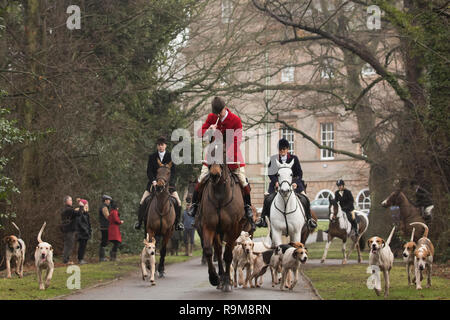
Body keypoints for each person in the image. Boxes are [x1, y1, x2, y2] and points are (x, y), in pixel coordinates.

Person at [187, 96, 256, 233]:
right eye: (216, 112)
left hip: (232, 156)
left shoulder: (235, 120)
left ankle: (247, 207)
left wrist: (226, 154)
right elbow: (199, 134)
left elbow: (237, 140)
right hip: (213, 156)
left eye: (220, 112)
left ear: (225, 107)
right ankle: (195, 205)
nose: (218, 115)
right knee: (202, 178)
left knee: (242, 180)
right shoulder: (212, 117)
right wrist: (209, 130)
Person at [257, 138, 317, 229]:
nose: (282, 151)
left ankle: (309, 219)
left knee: (305, 198)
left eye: (284, 149)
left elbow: (299, 173)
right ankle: (262, 219)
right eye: (280, 150)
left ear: (287, 149)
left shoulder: (294, 158)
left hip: (293, 182)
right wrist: (276, 182)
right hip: (277, 183)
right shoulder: (273, 159)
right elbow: (270, 174)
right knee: (267, 198)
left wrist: (295, 183)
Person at [135, 136, 184, 232]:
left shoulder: (171, 157)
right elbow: (149, 171)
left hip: (168, 185)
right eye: (159, 145)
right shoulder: (152, 157)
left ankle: (178, 223)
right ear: (157, 146)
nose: (160, 147)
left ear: (165, 146)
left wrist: (169, 183)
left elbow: (173, 172)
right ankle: (139, 222)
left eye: (162, 145)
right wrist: (153, 181)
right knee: (142, 201)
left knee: (178, 202)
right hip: (153, 184)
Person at [60, 196, 82, 264]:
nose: (72, 201)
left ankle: (65, 259)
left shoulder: (65, 209)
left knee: (67, 244)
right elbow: (79, 214)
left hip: (66, 229)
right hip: (69, 230)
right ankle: (65, 260)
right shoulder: (69, 209)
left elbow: (74, 213)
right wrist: (81, 206)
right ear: (67, 201)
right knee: (69, 245)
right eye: (70, 200)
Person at [76, 199, 91, 264]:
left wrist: (89, 231)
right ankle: (80, 259)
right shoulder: (80, 212)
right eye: (86, 204)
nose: (87, 205)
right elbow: (80, 223)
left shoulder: (86, 213)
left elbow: (88, 223)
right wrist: (85, 230)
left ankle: (81, 258)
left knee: (83, 246)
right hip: (81, 232)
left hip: (86, 232)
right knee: (81, 246)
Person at [98, 194, 112, 262]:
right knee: (104, 241)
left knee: (105, 241)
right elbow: (108, 217)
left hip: (104, 226)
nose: (109, 201)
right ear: (105, 200)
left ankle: (103, 257)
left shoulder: (103, 206)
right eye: (108, 200)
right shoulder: (104, 207)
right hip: (105, 226)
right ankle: (102, 257)